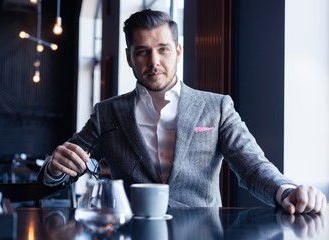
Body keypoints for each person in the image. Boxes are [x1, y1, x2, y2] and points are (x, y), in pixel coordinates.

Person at [38, 9, 326, 214]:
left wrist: (287, 191)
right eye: (142, 51)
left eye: (163, 49)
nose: (154, 61)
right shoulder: (107, 113)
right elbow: (63, 172)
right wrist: (54, 167)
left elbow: (253, 168)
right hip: (131, 233)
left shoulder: (217, 106)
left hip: (202, 234)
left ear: (178, 51)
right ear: (129, 57)